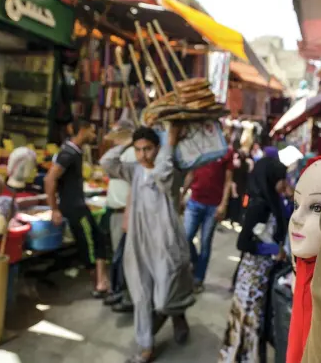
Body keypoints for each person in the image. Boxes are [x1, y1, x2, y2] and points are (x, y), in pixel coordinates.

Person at [99, 125, 195, 363]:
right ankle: (146, 347)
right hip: (138, 241)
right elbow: (107, 162)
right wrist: (127, 143)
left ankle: (177, 314)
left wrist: (169, 143)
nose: (143, 155)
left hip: (165, 242)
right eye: (139, 150)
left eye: (148, 149)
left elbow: (162, 175)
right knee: (141, 296)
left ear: (158, 148)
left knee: (163, 298)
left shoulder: (169, 169)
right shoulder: (134, 171)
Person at [219, 157, 288, 363]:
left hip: (262, 274)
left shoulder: (271, 201)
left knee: (253, 323)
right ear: (270, 178)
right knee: (247, 321)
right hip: (252, 276)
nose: (284, 183)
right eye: (281, 179)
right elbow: (243, 243)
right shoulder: (259, 205)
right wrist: (272, 249)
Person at [44, 119, 110, 296]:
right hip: (73, 207)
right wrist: (54, 209)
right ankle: (98, 283)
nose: (94, 135)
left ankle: (101, 281)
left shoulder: (74, 152)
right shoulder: (68, 154)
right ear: (83, 130)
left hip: (78, 204)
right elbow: (49, 179)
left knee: (98, 238)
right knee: (88, 244)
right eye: (92, 131)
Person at [180, 147, 233, 293]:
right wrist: (182, 194)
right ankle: (196, 263)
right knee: (185, 237)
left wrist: (223, 204)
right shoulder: (198, 149)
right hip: (195, 201)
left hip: (213, 206)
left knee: (205, 243)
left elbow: (228, 180)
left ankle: (198, 278)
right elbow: (191, 173)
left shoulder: (226, 152)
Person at [100, 129, 136, 312]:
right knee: (119, 257)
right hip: (118, 212)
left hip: (125, 213)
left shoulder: (132, 154)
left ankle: (128, 295)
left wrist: (127, 143)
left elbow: (106, 162)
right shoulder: (125, 153)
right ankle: (120, 292)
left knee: (126, 258)